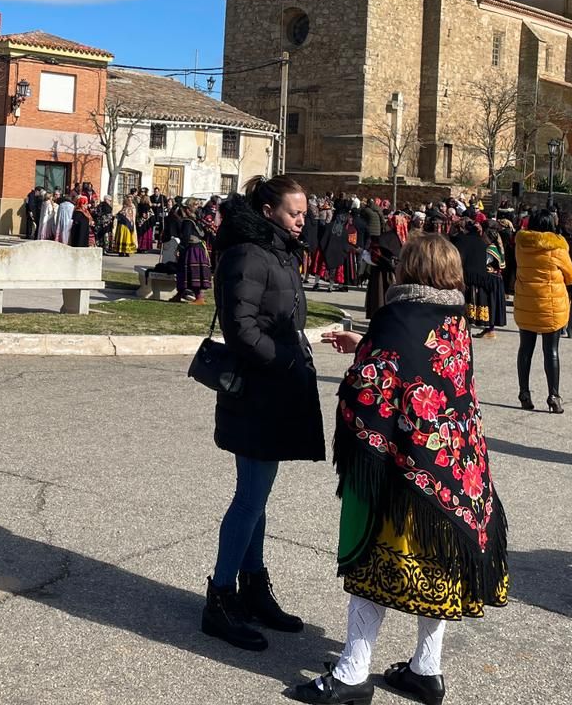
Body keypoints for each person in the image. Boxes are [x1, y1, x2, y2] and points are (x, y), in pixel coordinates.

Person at [300, 233, 508, 703]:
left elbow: (373, 384)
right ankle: (426, 669)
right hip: (453, 469)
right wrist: (367, 343)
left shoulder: (397, 315)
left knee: (373, 561)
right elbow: (418, 367)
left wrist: (364, 354)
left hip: (402, 470)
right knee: (436, 567)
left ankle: (353, 674)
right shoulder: (454, 317)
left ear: (409, 270)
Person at [200, 176, 324, 653]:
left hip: (274, 390)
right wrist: (285, 357)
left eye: (304, 213)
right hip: (256, 392)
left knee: (258, 498)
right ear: (269, 210)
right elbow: (241, 327)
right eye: (295, 213)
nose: (303, 220)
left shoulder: (276, 251)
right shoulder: (249, 253)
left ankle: (251, 585)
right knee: (249, 499)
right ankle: (221, 597)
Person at [513, 209, 572, 414]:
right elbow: (571, 276)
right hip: (551, 305)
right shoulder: (557, 248)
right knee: (551, 351)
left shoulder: (521, 245)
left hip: (526, 303)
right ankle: (554, 396)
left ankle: (524, 393)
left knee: (525, 349)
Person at [173, 205, 212, 304]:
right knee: (184, 273)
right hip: (198, 249)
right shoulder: (197, 221)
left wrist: (180, 249)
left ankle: (199, 297)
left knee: (192, 273)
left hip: (192, 250)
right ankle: (179, 295)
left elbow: (185, 237)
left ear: (186, 210)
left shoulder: (188, 222)